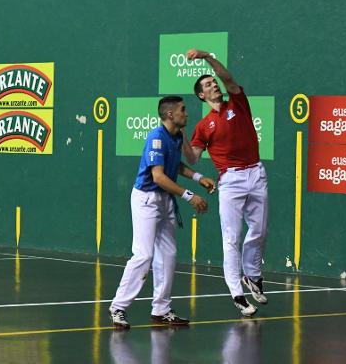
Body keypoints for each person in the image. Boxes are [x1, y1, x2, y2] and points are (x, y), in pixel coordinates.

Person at [109, 96, 216, 329]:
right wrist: (189, 195)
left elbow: (176, 165)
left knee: (168, 254)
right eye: (183, 110)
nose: (186, 114)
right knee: (144, 255)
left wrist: (199, 178)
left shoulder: (177, 136)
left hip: (166, 200)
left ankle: (161, 309)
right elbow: (158, 176)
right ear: (170, 114)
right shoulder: (156, 137)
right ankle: (118, 307)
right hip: (146, 199)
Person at [182, 48, 268, 317]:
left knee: (260, 229)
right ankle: (237, 293)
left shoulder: (238, 103)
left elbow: (228, 78)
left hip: (256, 172)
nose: (214, 85)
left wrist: (207, 57)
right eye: (207, 85)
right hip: (230, 181)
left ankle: (252, 275)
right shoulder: (204, 126)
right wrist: (182, 134)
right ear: (201, 95)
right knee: (231, 238)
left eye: (213, 82)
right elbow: (194, 158)